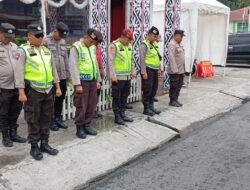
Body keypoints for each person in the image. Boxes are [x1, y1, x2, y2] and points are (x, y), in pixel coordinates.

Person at [15, 24, 62, 160]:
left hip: (48, 90)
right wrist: (21, 92)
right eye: (37, 35)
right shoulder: (22, 51)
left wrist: (57, 87)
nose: (41, 38)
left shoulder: (46, 51)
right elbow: (18, 73)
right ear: (29, 35)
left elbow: (54, 71)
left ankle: (45, 143)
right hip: (33, 91)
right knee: (33, 119)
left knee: (46, 118)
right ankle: (34, 146)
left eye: (42, 35)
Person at [69, 28, 102, 139]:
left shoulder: (92, 47)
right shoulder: (76, 47)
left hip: (92, 81)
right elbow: (73, 66)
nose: (93, 44)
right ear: (86, 37)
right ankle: (80, 128)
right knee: (81, 106)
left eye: (94, 42)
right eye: (92, 41)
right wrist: (77, 84)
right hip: (82, 82)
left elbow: (95, 64)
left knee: (91, 105)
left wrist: (98, 80)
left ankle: (87, 125)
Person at [0, 23, 26, 147]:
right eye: (6, 36)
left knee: (15, 110)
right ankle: (5, 136)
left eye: (10, 36)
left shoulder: (15, 47)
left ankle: (13, 133)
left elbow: (19, 64)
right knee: (3, 112)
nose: (9, 39)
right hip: (3, 87)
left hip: (17, 85)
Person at [44, 22, 70, 131]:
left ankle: (57, 118)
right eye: (60, 35)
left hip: (62, 75)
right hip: (51, 76)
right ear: (55, 31)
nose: (61, 38)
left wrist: (68, 73)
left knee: (60, 97)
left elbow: (65, 58)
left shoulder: (63, 41)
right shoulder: (45, 41)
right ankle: (50, 120)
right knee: (50, 99)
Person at [108, 29, 136, 125]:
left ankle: (122, 113)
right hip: (118, 78)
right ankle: (117, 116)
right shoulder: (114, 45)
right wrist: (113, 76)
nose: (129, 42)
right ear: (123, 37)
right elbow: (110, 62)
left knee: (125, 96)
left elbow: (132, 60)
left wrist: (133, 71)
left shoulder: (129, 46)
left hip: (127, 77)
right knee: (117, 97)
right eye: (128, 39)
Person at [139, 26, 161, 116]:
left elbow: (157, 57)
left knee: (153, 89)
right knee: (147, 90)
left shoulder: (155, 44)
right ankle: (146, 108)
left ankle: (151, 106)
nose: (155, 38)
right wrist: (143, 72)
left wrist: (159, 69)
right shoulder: (144, 44)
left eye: (156, 36)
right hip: (148, 70)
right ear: (148, 35)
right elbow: (142, 59)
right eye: (153, 36)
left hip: (155, 70)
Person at [167, 29, 185, 107]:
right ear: (176, 36)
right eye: (181, 36)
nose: (182, 38)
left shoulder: (179, 44)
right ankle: (172, 100)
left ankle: (176, 99)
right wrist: (175, 70)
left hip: (180, 70)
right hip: (175, 70)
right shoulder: (172, 44)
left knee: (179, 85)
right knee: (174, 85)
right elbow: (171, 57)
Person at [93, 32, 104, 118]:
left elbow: (99, 60)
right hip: (93, 72)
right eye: (98, 41)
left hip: (99, 71)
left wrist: (102, 70)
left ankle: (94, 109)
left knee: (97, 92)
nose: (98, 43)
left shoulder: (98, 48)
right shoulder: (91, 48)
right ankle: (92, 110)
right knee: (93, 93)